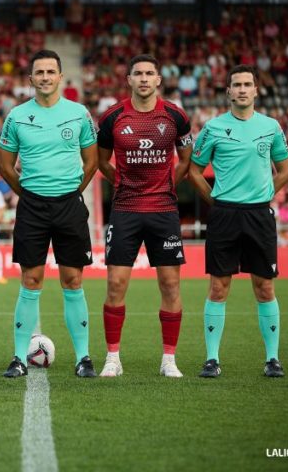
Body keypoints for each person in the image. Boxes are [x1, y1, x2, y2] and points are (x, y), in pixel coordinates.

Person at [0, 49, 98, 378]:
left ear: (59, 77)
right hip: (32, 208)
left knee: (73, 281)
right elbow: (5, 165)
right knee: (31, 280)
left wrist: (72, 191)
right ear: (31, 79)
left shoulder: (79, 113)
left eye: (50, 72)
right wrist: (27, 193)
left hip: (69, 205)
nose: (44, 77)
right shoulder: (16, 116)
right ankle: (17, 357)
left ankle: (83, 357)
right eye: (38, 72)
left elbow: (91, 161)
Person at [189, 64, 288, 378]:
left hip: (259, 215)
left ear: (257, 90)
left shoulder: (271, 127)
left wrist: (263, 195)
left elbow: (285, 170)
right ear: (229, 92)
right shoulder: (213, 128)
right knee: (219, 287)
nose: (243, 89)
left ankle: (272, 359)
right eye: (237, 85)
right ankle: (211, 359)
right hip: (224, 215)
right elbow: (194, 170)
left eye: (248, 84)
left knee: (264, 287)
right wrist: (216, 201)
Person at [96, 54, 193, 378]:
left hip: (163, 210)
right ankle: (113, 358)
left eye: (150, 73)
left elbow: (185, 159)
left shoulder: (176, 116)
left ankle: (169, 359)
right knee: (115, 283)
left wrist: (167, 184)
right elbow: (102, 161)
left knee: (169, 284)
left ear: (158, 80)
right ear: (129, 79)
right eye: (137, 73)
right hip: (125, 209)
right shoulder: (113, 117)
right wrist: (121, 182)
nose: (143, 78)